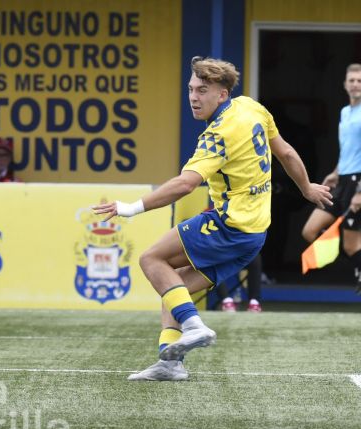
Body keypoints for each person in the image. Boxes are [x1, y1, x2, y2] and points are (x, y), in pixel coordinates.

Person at [92, 56, 332, 381]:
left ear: (222, 94)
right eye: (191, 89)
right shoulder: (251, 107)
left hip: (228, 226)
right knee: (173, 287)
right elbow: (286, 153)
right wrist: (306, 189)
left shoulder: (218, 134)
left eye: (202, 90)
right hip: (255, 235)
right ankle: (170, 364)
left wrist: (132, 207)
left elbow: (186, 183)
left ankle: (194, 326)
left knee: (151, 259)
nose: (193, 96)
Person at [301, 63, 361, 293]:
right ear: (345, 84)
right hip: (342, 181)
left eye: (359, 81)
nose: (355, 84)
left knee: (351, 245)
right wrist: (335, 173)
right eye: (352, 80)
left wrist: (359, 192)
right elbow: (348, 149)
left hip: (358, 183)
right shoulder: (345, 112)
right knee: (309, 231)